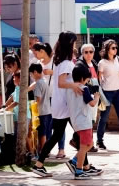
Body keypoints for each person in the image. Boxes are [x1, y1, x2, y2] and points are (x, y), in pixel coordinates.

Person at [32, 31, 87, 177]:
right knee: (80, 135)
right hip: (65, 105)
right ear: (70, 44)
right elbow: (61, 83)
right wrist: (75, 86)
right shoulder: (67, 63)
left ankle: (84, 165)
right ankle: (81, 165)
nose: (76, 44)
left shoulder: (60, 61)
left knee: (64, 135)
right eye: (74, 42)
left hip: (60, 104)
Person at [65, 63, 103, 180]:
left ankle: (74, 161)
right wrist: (96, 97)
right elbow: (91, 103)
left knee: (90, 144)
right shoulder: (84, 88)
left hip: (76, 121)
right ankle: (79, 170)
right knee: (83, 147)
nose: (87, 82)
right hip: (84, 121)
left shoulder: (70, 89)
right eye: (87, 79)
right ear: (82, 78)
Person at [32, 42, 66, 158]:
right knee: (46, 125)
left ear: (42, 51)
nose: (35, 55)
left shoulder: (55, 62)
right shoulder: (38, 64)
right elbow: (36, 81)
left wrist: (51, 72)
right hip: (45, 98)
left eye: (36, 52)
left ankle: (61, 149)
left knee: (59, 124)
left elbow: (63, 74)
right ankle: (47, 149)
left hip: (56, 96)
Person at [76, 43, 100, 152]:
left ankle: (84, 142)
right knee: (87, 121)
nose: (89, 54)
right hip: (86, 95)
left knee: (92, 119)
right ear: (82, 53)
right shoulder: (80, 65)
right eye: (86, 52)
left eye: (91, 52)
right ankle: (89, 144)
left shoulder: (94, 63)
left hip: (95, 94)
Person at [5, 71, 34, 156]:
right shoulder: (17, 88)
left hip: (23, 115)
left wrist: (6, 108)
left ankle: (31, 153)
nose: (13, 79)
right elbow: (11, 97)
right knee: (19, 135)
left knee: (24, 135)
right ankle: (24, 152)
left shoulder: (21, 88)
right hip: (17, 116)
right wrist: (4, 105)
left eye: (15, 78)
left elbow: (17, 102)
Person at [30, 62, 51, 155]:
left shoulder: (38, 83)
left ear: (35, 72)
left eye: (31, 74)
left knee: (41, 133)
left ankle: (43, 151)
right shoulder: (45, 81)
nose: (31, 76)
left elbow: (38, 99)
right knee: (44, 133)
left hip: (41, 111)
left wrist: (32, 107)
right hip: (47, 110)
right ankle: (44, 151)